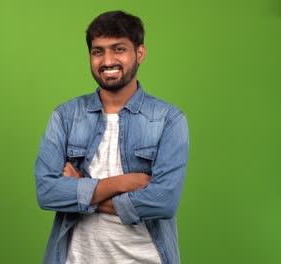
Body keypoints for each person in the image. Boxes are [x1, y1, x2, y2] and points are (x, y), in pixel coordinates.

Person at [34, 10, 189, 264]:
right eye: (98, 51)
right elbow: (47, 192)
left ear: (140, 54)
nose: (107, 60)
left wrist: (81, 189)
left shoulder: (168, 119)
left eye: (118, 49)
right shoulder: (65, 116)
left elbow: (164, 202)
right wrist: (124, 182)